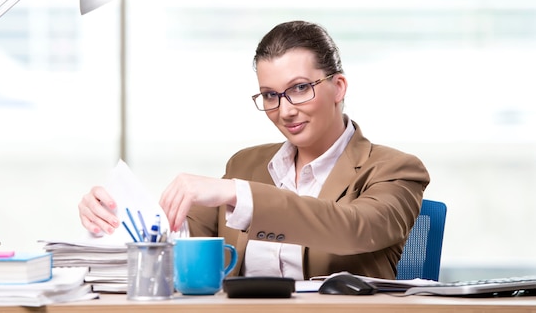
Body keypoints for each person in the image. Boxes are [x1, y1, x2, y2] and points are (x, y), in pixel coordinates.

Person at [78, 20, 430, 280]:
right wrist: (114, 218)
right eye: (270, 95)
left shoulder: (395, 169)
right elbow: (173, 240)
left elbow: (355, 228)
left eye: (300, 88)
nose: (286, 109)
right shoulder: (246, 164)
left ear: (338, 87)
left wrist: (236, 192)